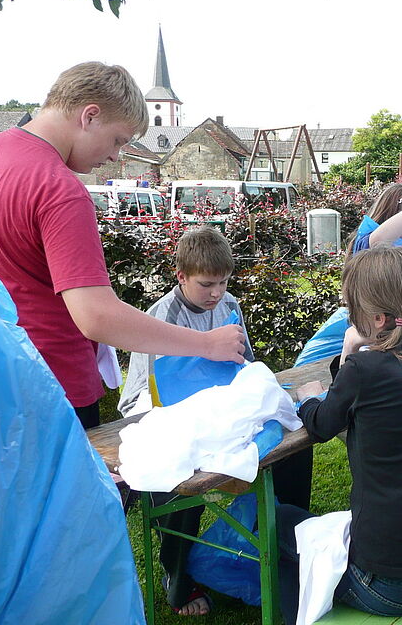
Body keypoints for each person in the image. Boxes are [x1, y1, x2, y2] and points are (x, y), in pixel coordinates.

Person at [0, 62, 246, 429]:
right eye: (118, 140)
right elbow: (97, 317)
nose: (117, 156)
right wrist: (207, 344)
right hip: (52, 387)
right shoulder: (59, 190)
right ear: (90, 116)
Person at [119, 226, 314, 616]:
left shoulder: (229, 305)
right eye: (207, 284)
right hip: (170, 417)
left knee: (294, 447)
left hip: (226, 413)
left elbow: (245, 366)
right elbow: (142, 396)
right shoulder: (161, 316)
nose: (217, 293)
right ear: (181, 277)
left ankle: (285, 545)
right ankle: (178, 575)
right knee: (181, 478)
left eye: (223, 282)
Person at [279, 246, 402, 623]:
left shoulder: (362, 370)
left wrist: (308, 397)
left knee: (279, 523)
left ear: (373, 318)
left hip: (392, 586)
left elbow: (321, 424)